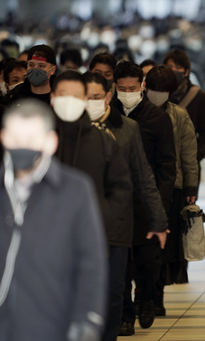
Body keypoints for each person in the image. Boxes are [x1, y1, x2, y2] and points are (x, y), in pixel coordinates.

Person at [0, 99, 108, 341]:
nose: (23, 145)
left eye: (32, 138)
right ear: (4, 137)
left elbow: (91, 261)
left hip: (52, 323)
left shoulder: (75, 190)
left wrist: (87, 319)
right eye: (16, 138)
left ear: (50, 142)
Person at [83, 71, 169, 337]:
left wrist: (159, 220)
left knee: (113, 290)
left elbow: (145, 176)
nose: (90, 102)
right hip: (81, 222)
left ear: (107, 97)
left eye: (95, 97)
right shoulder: (67, 129)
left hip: (118, 221)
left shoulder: (127, 128)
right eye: (85, 97)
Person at [49, 70, 133, 341]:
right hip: (47, 240)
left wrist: (102, 219)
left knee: (100, 302)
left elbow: (121, 187)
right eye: (63, 95)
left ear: (86, 99)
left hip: (96, 239)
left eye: (76, 96)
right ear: (52, 98)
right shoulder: (39, 139)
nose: (69, 101)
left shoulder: (102, 139)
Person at [112, 61, 176, 335]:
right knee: (121, 265)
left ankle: (147, 298)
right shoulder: (108, 116)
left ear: (142, 87)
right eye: (122, 88)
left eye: (132, 88)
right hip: (117, 203)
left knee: (149, 262)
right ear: (114, 88)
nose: (127, 93)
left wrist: (159, 204)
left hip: (147, 202)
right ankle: (125, 314)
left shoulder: (156, 117)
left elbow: (166, 165)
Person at [145, 66, 198, 312]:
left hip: (172, 186)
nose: (158, 95)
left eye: (163, 90)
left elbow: (189, 153)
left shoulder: (178, 115)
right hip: (141, 187)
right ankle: (142, 292)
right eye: (154, 89)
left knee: (165, 248)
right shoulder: (136, 114)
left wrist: (190, 184)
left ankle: (157, 295)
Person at [164, 49, 205, 176]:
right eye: (169, 67)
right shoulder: (157, 93)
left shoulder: (197, 95)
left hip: (188, 164)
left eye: (178, 67)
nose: (173, 70)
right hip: (163, 161)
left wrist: (196, 156)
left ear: (186, 72)